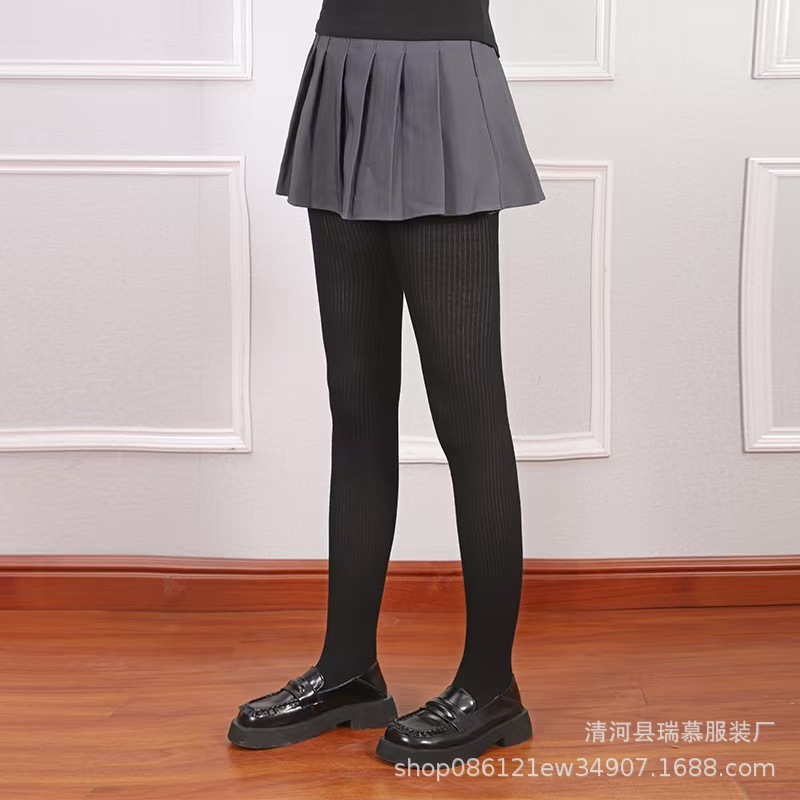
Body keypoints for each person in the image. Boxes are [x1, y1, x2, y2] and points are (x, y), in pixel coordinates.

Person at [227, 0, 546, 767]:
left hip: (441, 74)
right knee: (358, 405)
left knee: (469, 416)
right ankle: (348, 672)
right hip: (342, 72)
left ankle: (491, 688)